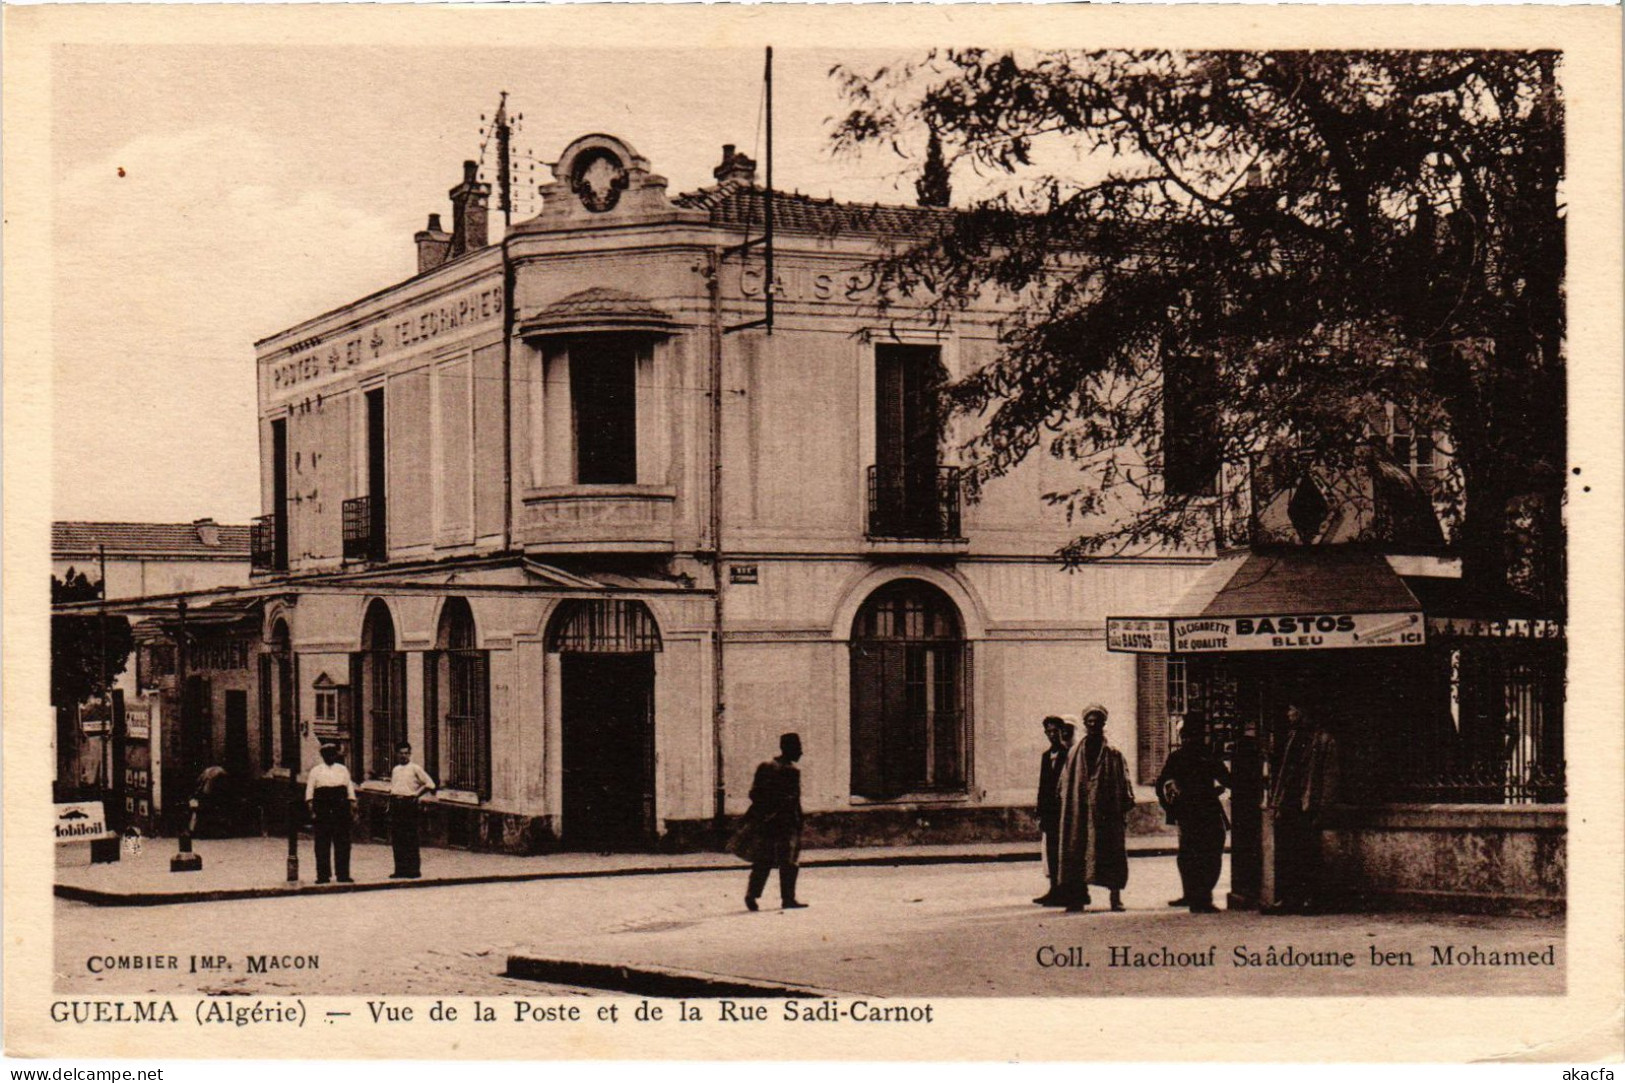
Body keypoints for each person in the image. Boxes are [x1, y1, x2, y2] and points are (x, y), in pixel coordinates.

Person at [1055, 704, 1136, 912]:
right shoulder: (1074, 753)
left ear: (1103, 724)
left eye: (1097, 722)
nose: (1093, 725)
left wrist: (1123, 805)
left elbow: (1125, 782)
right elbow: (1064, 783)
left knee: (1111, 852)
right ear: (1084, 725)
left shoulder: (1113, 753)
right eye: (1089, 722)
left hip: (1107, 813)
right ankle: (1077, 897)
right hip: (1079, 812)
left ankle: (1115, 897)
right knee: (1076, 849)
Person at [1266, 704, 1339, 914]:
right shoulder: (1292, 737)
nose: (1288, 714)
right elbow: (1284, 773)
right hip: (1289, 803)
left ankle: (1309, 898)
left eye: (1292, 710)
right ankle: (1289, 897)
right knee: (1287, 852)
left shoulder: (1324, 740)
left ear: (1304, 712)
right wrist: (1278, 802)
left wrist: (1324, 808)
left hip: (1308, 804)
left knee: (1308, 853)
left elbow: (1330, 777)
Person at [1155, 712, 1231, 913]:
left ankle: (1193, 895)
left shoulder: (1178, 756)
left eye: (1190, 735)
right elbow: (1227, 779)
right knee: (1209, 853)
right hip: (1204, 811)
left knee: (1190, 854)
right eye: (1187, 736)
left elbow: (1161, 784)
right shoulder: (1207, 754)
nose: (1189, 739)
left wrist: (1171, 807)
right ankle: (1201, 897)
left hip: (1189, 812)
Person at [728, 732, 808, 911]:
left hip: (769, 822)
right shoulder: (789, 770)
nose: (801, 752)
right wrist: (797, 820)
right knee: (787, 861)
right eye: (798, 748)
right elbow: (792, 800)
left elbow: (755, 794)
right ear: (789, 749)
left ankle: (753, 895)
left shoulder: (767, 766)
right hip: (783, 823)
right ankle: (787, 899)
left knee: (764, 860)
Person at [1033, 716, 1075, 906]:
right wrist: (1039, 812)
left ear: (1062, 731)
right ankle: (1053, 890)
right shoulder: (1045, 756)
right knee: (1051, 852)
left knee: (1063, 852)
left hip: (1063, 811)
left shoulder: (1069, 755)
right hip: (1049, 813)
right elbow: (1043, 786)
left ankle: (1064, 891)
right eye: (1048, 732)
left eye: (1055, 731)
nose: (1052, 735)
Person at [305, 743, 357, 884]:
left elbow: (349, 788)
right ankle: (323, 875)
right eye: (326, 754)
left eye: (332, 754)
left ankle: (343, 874)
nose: (330, 757)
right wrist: (312, 810)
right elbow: (310, 791)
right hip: (323, 807)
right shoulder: (316, 771)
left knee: (343, 842)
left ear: (336, 755)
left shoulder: (342, 770)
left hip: (340, 807)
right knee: (322, 842)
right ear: (323, 756)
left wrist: (352, 806)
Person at [387, 742, 436, 879]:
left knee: (410, 837)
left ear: (410, 754)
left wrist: (416, 794)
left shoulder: (415, 768)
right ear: (396, 754)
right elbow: (394, 787)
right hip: (396, 803)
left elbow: (430, 784)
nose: (403, 756)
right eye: (401, 753)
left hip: (409, 804)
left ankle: (414, 870)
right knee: (397, 838)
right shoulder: (395, 769)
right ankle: (400, 870)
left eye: (406, 753)